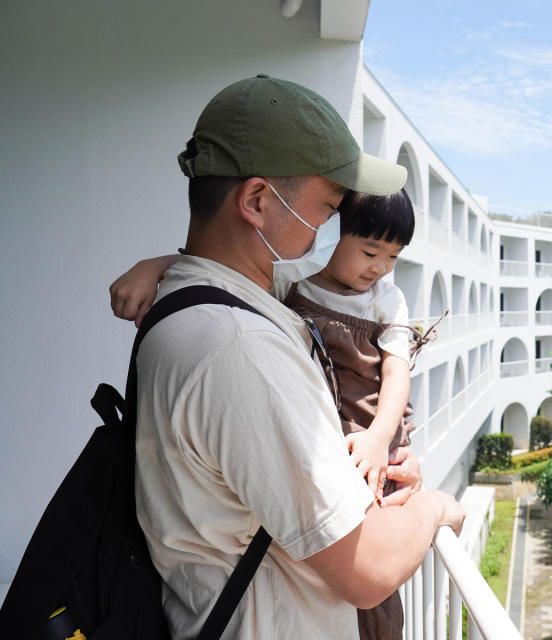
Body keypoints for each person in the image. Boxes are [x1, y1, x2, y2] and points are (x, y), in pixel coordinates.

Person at [125, 74, 464, 640]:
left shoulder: (192, 304)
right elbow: (368, 570)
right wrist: (433, 510)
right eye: (328, 208)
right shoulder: (240, 348)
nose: (331, 231)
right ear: (257, 201)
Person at [112, 188, 429, 640]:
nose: (378, 267)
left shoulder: (385, 300)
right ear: (333, 236)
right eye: (369, 250)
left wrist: (380, 438)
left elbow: (398, 374)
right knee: (351, 571)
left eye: (393, 257)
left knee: (375, 597)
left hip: (367, 438)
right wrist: (155, 267)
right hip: (316, 447)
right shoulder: (294, 281)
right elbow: (215, 269)